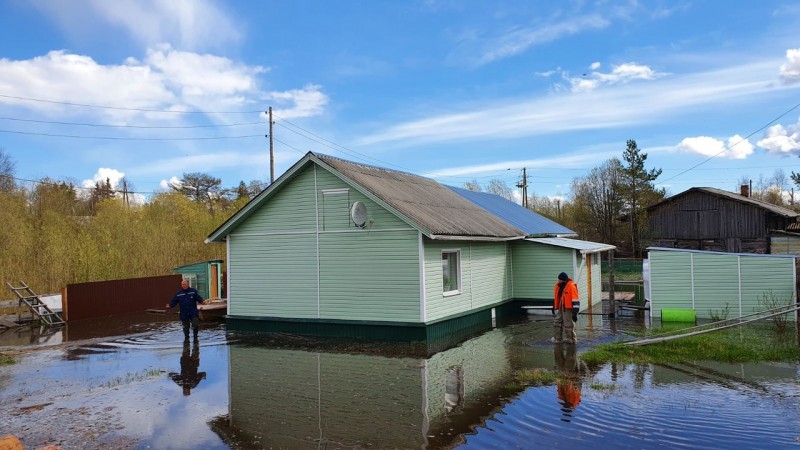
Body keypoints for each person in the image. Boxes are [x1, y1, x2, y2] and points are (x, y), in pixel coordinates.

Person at [554, 343, 581, 420]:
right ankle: (571, 347)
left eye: (564, 406)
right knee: (570, 355)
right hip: (571, 375)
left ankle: (570, 347)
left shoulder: (568, 399)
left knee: (566, 356)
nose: (563, 405)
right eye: (564, 406)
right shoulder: (573, 399)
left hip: (568, 375)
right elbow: (578, 383)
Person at [553, 271, 580, 344]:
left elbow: (576, 300)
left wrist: (575, 313)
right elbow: (557, 297)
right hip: (561, 307)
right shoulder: (558, 286)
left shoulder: (571, 286)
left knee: (568, 325)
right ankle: (558, 340)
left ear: (563, 280)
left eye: (559, 279)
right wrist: (554, 307)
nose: (558, 281)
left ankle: (571, 341)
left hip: (568, 309)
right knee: (556, 323)